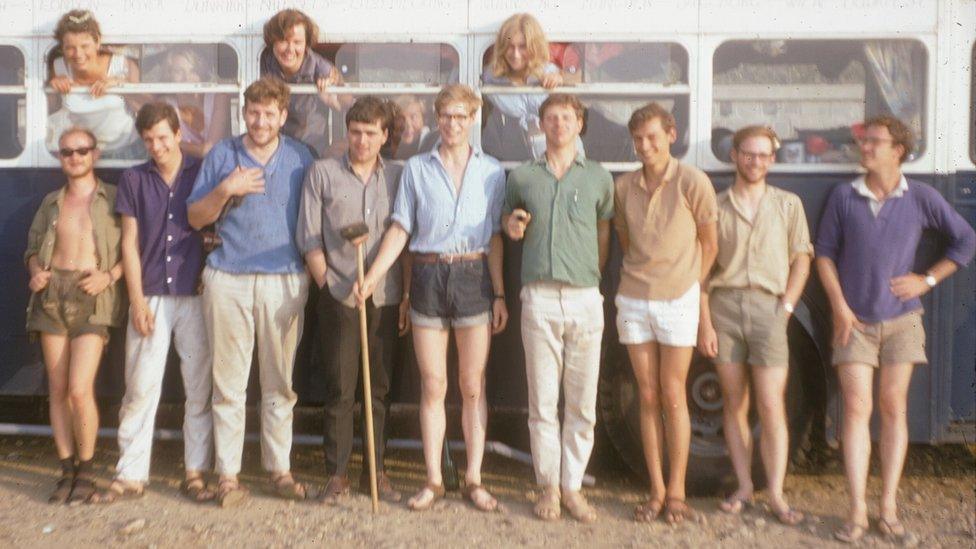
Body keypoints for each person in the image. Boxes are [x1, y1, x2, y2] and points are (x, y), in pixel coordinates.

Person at [814, 116, 976, 543]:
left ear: (898, 150)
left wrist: (927, 280)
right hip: (855, 324)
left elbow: (965, 241)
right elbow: (825, 256)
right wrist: (840, 309)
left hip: (903, 320)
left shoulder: (921, 197)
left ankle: (887, 507)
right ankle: (856, 511)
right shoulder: (844, 196)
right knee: (854, 410)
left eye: (874, 142)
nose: (865, 148)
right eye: (864, 142)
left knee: (892, 408)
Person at [354, 84, 508, 512]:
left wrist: (498, 293)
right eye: (445, 116)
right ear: (437, 119)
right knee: (433, 384)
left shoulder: (492, 171)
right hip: (426, 276)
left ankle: (474, 478)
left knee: (472, 385)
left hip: (473, 275)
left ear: (473, 118)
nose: (452, 124)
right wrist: (372, 276)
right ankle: (435, 479)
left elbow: (495, 236)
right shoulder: (416, 169)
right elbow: (401, 229)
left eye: (460, 117)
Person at [187, 77, 314, 507]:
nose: (260, 121)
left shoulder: (300, 157)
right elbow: (194, 219)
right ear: (245, 113)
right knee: (229, 384)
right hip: (228, 278)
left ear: (283, 115)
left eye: (269, 113)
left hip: (284, 279)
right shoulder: (223, 154)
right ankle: (228, 476)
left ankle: (279, 470)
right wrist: (226, 189)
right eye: (253, 112)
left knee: (279, 383)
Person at [85, 103, 213, 504]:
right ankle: (131, 472)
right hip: (152, 292)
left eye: (163, 137)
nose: (157, 146)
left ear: (178, 134)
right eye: (149, 140)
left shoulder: (202, 171)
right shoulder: (134, 179)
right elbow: (130, 243)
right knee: (140, 387)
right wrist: (137, 300)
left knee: (199, 388)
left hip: (196, 294)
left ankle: (195, 471)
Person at [502, 93, 613, 523]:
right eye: (551, 118)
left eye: (566, 117)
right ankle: (548, 485)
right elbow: (510, 224)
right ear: (541, 124)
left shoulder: (599, 178)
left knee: (582, 403)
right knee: (543, 401)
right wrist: (513, 228)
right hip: (540, 297)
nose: (559, 125)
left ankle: (573, 488)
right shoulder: (523, 176)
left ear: (579, 124)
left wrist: (590, 274)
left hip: (585, 297)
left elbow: (604, 233)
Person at [697, 126, 811, 525]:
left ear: (773, 160)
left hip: (769, 309)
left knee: (771, 404)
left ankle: (776, 493)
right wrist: (705, 321)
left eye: (764, 155)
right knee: (734, 403)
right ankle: (745, 486)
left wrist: (787, 307)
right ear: (734, 155)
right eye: (749, 154)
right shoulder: (715, 205)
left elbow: (802, 258)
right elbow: (702, 268)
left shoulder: (788, 205)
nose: (756, 161)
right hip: (724, 306)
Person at [296, 96, 406, 503]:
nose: (361, 140)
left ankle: (375, 473)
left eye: (370, 133)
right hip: (338, 294)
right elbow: (309, 237)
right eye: (355, 132)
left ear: (384, 136)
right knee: (340, 388)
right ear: (347, 133)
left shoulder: (396, 176)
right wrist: (330, 286)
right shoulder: (321, 173)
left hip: (384, 295)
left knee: (377, 389)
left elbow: (404, 234)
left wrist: (391, 290)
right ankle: (337, 473)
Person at [613, 102, 717, 525]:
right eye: (638, 139)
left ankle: (678, 491)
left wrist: (687, 283)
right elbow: (625, 240)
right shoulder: (623, 187)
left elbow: (709, 244)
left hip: (678, 300)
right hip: (635, 298)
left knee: (674, 394)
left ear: (671, 135)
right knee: (647, 394)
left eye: (653, 137)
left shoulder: (693, 181)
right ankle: (655, 490)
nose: (645, 146)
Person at [24, 126, 124, 504]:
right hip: (52, 295)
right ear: (60, 158)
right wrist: (35, 270)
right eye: (67, 152)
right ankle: (65, 470)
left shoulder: (112, 198)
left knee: (80, 389)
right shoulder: (51, 201)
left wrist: (109, 276)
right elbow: (32, 248)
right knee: (58, 388)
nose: (75, 157)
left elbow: (132, 249)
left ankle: (87, 469)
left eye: (81, 151)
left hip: (91, 295)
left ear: (95, 154)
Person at [481, 13, 578, 161]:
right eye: (510, 47)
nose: (516, 54)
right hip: (516, 158)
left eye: (522, 47)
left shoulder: (548, 71)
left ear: (534, 46)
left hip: (563, 154)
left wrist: (562, 77)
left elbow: (581, 78)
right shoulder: (492, 76)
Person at [47, 10, 141, 159]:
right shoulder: (58, 68)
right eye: (70, 48)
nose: (78, 54)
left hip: (126, 151)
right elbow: (49, 113)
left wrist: (122, 84)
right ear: (62, 49)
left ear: (97, 42)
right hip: (83, 154)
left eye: (85, 46)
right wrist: (52, 85)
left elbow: (143, 107)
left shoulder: (122, 65)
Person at [259, 9, 343, 157]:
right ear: (273, 41)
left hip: (310, 151)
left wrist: (332, 93)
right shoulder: (262, 62)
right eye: (283, 40)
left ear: (306, 45)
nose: (290, 49)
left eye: (297, 42)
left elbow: (344, 105)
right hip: (272, 149)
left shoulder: (322, 69)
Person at [162, 47, 231, 158]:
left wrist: (174, 142)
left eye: (193, 71)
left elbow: (209, 151)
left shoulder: (218, 97)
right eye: (179, 71)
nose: (187, 78)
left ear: (201, 73)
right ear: (169, 75)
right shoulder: (166, 105)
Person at [391, 95, 436, 160]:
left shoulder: (434, 146)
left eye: (413, 117)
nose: (407, 124)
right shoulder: (385, 147)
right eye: (400, 118)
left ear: (423, 119)